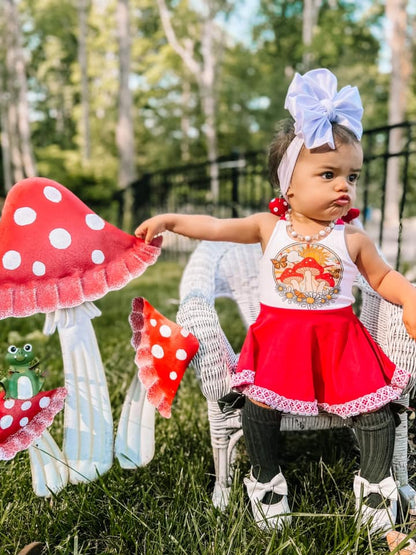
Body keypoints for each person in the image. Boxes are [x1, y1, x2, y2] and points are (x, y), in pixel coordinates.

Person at [136, 68, 416, 534]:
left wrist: (408, 297)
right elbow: (216, 227)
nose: (343, 186)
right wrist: (171, 219)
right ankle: (266, 480)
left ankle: (375, 484)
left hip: (340, 341)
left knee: (376, 412)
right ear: (288, 185)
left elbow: (384, 277)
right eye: (328, 174)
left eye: (352, 175)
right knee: (258, 412)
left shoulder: (354, 239)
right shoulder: (270, 228)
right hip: (279, 341)